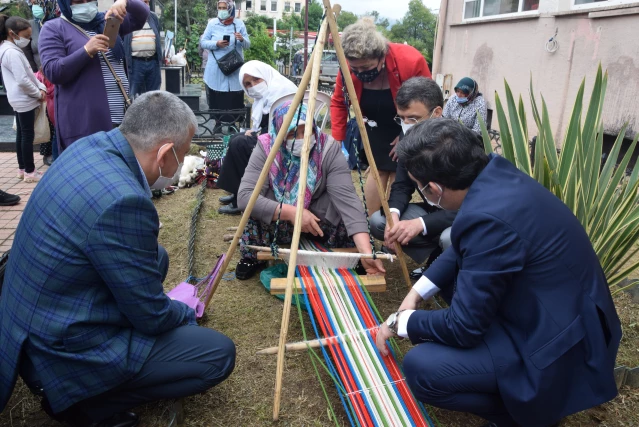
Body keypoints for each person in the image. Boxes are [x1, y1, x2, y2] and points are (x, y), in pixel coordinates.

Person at [0, 92, 236, 427]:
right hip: (57, 349)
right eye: (182, 156)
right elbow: (152, 316)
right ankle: (85, 403)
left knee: (157, 257)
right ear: (165, 154)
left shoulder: (89, 146)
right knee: (215, 354)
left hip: (30, 318)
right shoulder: (124, 200)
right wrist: (186, 313)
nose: (180, 166)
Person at [375, 118, 621, 427]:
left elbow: (463, 328)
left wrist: (400, 322)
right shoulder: (495, 176)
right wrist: (414, 294)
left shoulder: (488, 218)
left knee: (424, 367)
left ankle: (521, 416)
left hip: (557, 344)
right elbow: (461, 249)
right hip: (561, 313)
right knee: (453, 293)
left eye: (418, 186)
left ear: (433, 188)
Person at [236, 101, 385, 280]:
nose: (303, 139)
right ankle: (253, 256)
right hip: (279, 219)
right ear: (280, 133)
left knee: (344, 215)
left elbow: (348, 201)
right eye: (293, 133)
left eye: (307, 131)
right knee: (254, 208)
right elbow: (244, 197)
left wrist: (366, 251)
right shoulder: (267, 147)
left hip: (316, 220)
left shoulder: (327, 148)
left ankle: (353, 255)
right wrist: (293, 212)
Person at [330, 18, 432, 215]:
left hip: (405, 119)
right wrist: (338, 139)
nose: (359, 73)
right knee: (378, 170)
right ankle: (370, 222)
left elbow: (427, 102)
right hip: (374, 121)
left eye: (366, 68)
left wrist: (406, 135)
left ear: (382, 57)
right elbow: (339, 102)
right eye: (355, 69)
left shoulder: (410, 60)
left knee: (398, 169)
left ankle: (390, 218)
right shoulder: (346, 68)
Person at [369, 77, 456, 279]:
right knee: (380, 221)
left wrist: (420, 224)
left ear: (436, 112)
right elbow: (401, 186)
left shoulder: (458, 145)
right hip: (434, 209)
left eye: (413, 119)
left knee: (450, 237)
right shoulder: (408, 142)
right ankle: (436, 256)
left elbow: (469, 208)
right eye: (402, 118)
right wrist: (394, 218)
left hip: (462, 216)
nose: (406, 125)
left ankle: (447, 272)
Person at [39, 0, 149, 152]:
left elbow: (141, 16)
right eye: (78, 1)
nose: (85, 3)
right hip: (86, 122)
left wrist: (126, 2)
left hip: (121, 119)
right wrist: (86, 51)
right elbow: (53, 71)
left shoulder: (106, 21)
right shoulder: (54, 28)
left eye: (89, 0)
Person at [217, 60, 297, 215]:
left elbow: (284, 125)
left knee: (240, 144)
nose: (252, 85)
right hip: (273, 137)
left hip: (288, 140)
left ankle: (242, 199)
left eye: (256, 80)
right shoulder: (266, 95)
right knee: (236, 139)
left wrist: (256, 134)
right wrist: (255, 133)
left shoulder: (281, 90)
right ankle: (238, 192)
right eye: (247, 84)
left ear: (265, 75)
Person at [0, 15, 47, 183]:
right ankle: (30, 171)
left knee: (21, 134)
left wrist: (39, 87)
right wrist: (38, 92)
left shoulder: (6, 49)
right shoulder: (11, 52)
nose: (28, 40)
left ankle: (23, 169)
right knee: (27, 135)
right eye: (26, 36)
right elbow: (23, 79)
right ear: (12, 34)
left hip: (17, 98)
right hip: (24, 98)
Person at [199, 0, 250, 113]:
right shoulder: (212, 23)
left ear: (231, 9)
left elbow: (247, 45)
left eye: (224, 8)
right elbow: (203, 43)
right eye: (220, 8)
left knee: (234, 98)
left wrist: (241, 39)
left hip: (234, 68)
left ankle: (234, 123)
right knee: (217, 98)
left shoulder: (239, 24)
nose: (221, 11)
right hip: (216, 69)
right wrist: (216, 44)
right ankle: (218, 123)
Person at [123, 0, 161, 98]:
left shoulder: (153, 18)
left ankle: (153, 114)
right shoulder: (127, 18)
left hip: (152, 63)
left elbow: (157, 37)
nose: (146, 5)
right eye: (143, 2)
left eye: (147, 2)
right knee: (133, 96)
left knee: (154, 97)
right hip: (136, 64)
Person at [35, 67, 55, 165]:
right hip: (51, 106)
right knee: (51, 133)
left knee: (48, 132)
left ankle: (47, 155)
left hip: (46, 106)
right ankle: (50, 155)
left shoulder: (38, 74)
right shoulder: (52, 76)